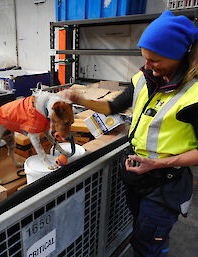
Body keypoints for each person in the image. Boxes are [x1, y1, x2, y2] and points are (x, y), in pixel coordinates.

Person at [65, 10, 198, 257]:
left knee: (148, 244)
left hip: (165, 185)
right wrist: (78, 98)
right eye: (145, 58)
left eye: (155, 60)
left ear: (179, 55)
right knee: (142, 233)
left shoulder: (194, 95)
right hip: (137, 177)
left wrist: (158, 163)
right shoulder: (143, 78)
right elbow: (114, 106)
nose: (147, 66)